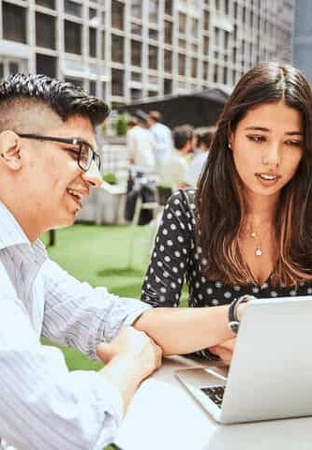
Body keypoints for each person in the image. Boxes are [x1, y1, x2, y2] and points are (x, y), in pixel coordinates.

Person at [0, 73, 240, 450]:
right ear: (12, 150)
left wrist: (238, 316)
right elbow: (63, 426)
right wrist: (131, 361)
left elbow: (108, 317)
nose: (95, 177)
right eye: (78, 152)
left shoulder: (21, 256)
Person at [141, 61, 312, 363]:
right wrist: (215, 343)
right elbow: (150, 324)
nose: (273, 159)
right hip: (212, 382)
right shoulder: (188, 211)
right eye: (257, 138)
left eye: (292, 142)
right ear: (231, 135)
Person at [160, 123, 194, 191]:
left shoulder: (167, 157)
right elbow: (186, 185)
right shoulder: (181, 162)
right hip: (177, 198)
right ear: (188, 142)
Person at [126, 109, 156, 176]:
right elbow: (154, 145)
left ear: (129, 126)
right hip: (150, 160)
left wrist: (131, 159)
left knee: (139, 181)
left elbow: (131, 148)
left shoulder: (131, 132)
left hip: (139, 161)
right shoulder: (147, 132)